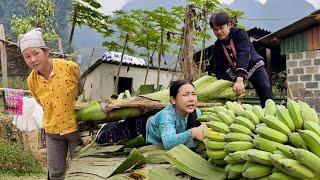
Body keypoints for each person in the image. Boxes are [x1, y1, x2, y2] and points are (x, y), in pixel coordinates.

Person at [18, 28, 80, 180]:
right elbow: (41, 102)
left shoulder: (69, 67)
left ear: (46, 51)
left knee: (81, 171)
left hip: (76, 129)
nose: (32, 59)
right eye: (27, 56)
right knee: (55, 173)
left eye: (36, 53)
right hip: (52, 132)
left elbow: (82, 90)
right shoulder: (31, 81)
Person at [207, 12, 273, 107]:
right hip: (234, 74)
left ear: (229, 25)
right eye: (215, 29)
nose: (219, 32)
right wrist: (227, 85)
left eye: (221, 28)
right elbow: (220, 68)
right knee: (232, 97)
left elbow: (243, 53)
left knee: (264, 89)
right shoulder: (216, 47)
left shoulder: (240, 34)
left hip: (254, 66)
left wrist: (240, 79)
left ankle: (270, 114)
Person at [146, 80, 207, 150]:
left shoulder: (196, 111)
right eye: (185, 95)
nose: (191, 99)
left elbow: (203, 128)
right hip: (155, 139)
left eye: (194, 94)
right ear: (173, 100)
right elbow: (168, 143)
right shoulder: (166, 115)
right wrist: (192, 133)